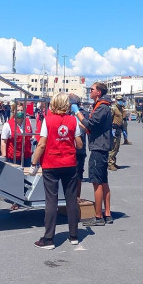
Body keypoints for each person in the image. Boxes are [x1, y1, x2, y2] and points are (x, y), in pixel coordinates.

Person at [32, 93, 84, 249]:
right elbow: (79, 144)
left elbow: (41, 144)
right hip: (69, 163)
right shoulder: (72, 120)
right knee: (71, 199)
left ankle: (48, 239)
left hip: (51, 163)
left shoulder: (47, 120)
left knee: (51, 201)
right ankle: (74, 235)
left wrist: (34, 162)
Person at [73, 82, 112, 226]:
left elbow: (90, 124)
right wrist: (78, 122)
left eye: (92, 89)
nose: (90, 91)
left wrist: (77, 112)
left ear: (99, 92)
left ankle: (98, 216)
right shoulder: (103, 106)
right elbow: (90, 126)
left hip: (98, 148)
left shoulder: (102, 107)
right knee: (103, 181)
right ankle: (107, 214)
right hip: (101, 146)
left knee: (97, 182)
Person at [109, 96, 126, 170]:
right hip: (114, 129)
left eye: (121, 100)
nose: (120, 101)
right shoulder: (113, 108)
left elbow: (122, 119)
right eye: (119, 100)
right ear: (116, 100)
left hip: (119, 129)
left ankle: (113, 162)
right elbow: (110, 119)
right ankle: (110, 163)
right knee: (113, 147)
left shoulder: (121, 109)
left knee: (117, 147)